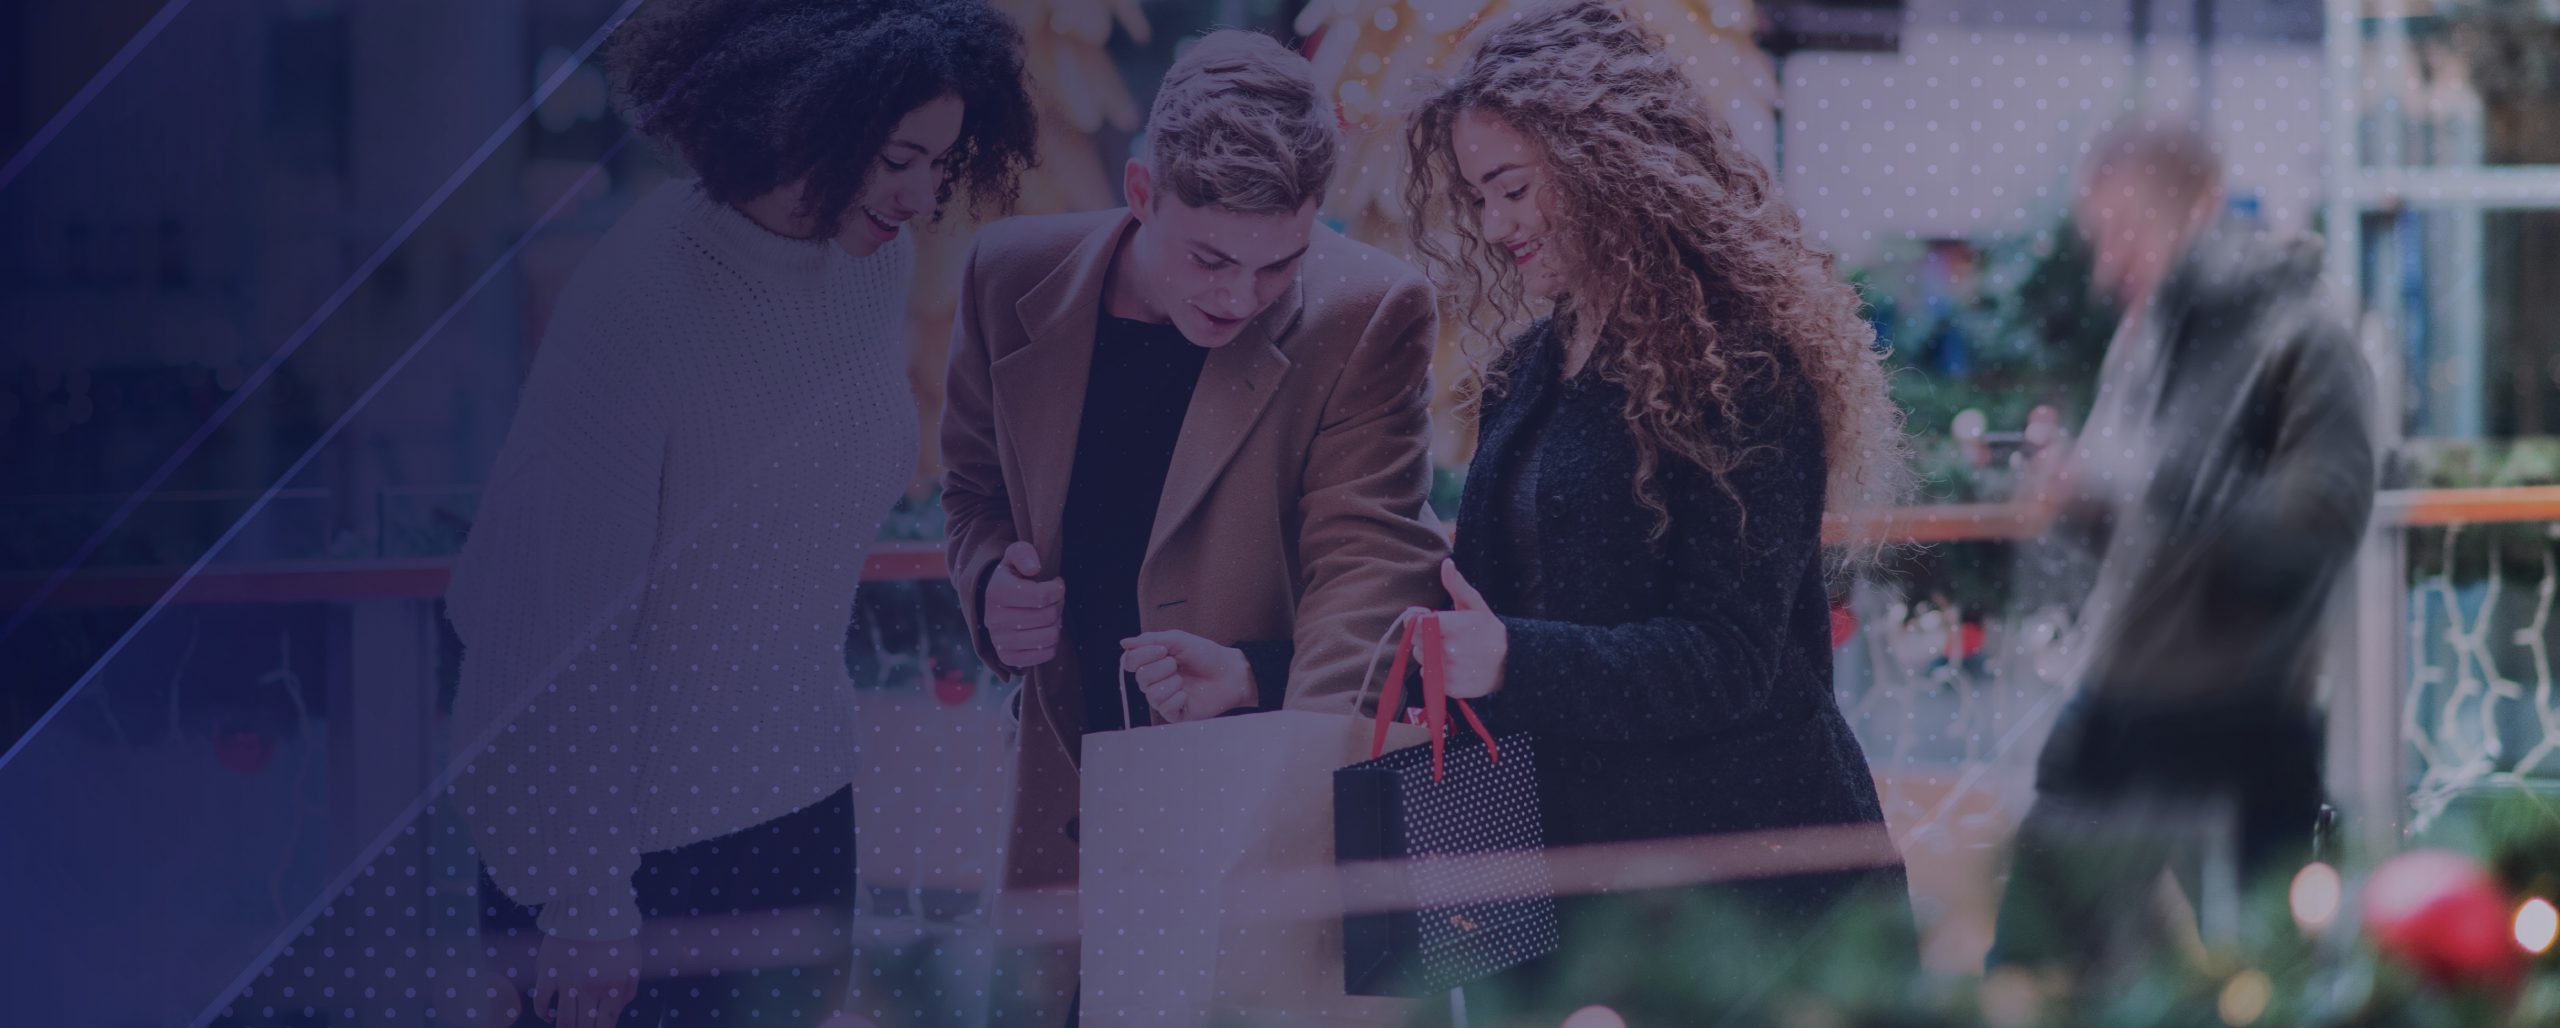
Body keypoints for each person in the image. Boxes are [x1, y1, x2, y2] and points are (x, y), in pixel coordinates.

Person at [442, 2, 1036, 1025]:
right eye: (898, 156)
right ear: (801, 114)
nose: (922, 192)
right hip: (620, 852)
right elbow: (549, 633)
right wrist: (583, 899)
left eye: (941, 162)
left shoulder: (872, 263)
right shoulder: (639, 297)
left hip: (799, 806)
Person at [1398, 0, 1913, 986]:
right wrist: (1259, 666)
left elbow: (1729, 657)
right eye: (1478, 198)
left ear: (1602, 162)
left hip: (1743, 907)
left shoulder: (1742, 364)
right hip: (1577, 888)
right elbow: (1486, 614)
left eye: (1512, 188)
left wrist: (1512, 654)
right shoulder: (1524, 371)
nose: (1496, 224)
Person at [938, 19, 1445, 938]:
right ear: (1142, 191)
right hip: (1057, 805)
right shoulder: (1004, 275)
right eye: (1210, 258)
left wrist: (1293, 810)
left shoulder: (1368, 312)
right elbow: (972, 491)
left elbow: (1367, 575)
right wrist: (986, 585)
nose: (1239, 297)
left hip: (1252, 804)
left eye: (1278, 265)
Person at [1989, 119, 2376, 974]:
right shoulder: (2147, 337)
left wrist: (2149, 488)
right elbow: (2143, 514)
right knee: (2039, 969)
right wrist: (2081, 498)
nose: (2105, 268)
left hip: (2239, 714)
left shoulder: (2308, 333)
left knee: (2278, 976)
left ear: (2200, 210)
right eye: (2099, 240)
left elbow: (2323, 523)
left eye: (2124, 234)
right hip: (2122, 704)